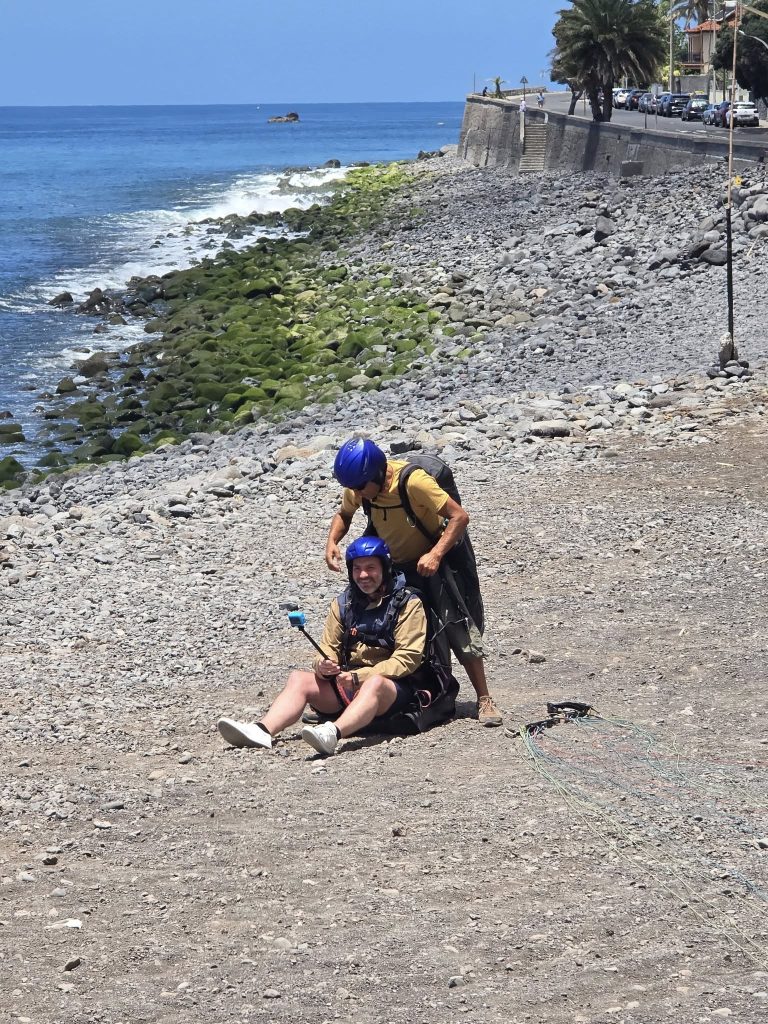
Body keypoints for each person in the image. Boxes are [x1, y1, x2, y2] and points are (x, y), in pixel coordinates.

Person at [325, 438, 503, 727]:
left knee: (455, 625)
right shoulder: (360, 486)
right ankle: (398, 698)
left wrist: (435, 554)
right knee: (391, 627)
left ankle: (484, 698)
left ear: (377, 475)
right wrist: (332, 541)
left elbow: (459, 517)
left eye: (359, 487)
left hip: (435, 562)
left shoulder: (414, 482)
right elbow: (344, 514)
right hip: (394, 567)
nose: (356, 493)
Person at [217, 538, 432, 756]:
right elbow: (328, 648)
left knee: (374, 683)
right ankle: (262, 730)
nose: (363, 576)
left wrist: (360, 677)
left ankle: (332, 733)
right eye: (357, 569)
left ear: (385, 568)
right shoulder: (343, 604)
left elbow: (408, 659)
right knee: (299, 678)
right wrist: (322, 665)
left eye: (370, 568)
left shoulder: (409, 604)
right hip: (349, 685)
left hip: (395, 690)